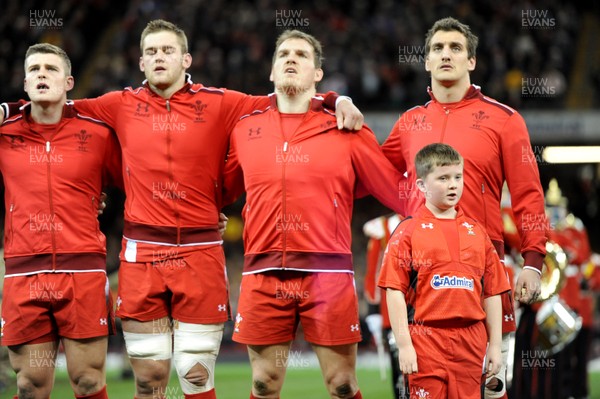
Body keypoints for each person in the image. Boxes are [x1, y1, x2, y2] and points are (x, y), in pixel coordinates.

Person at [0, 20, 363, 399]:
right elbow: (54, 103)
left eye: (168, 50)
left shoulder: (222, 102)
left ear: (186, 59)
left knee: (194, 374)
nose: (160, 57)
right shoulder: (114, 105)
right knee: (147, 379)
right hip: (142, 255)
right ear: (141, 62)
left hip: (200, 252)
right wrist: (7, 107)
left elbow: (285, 98)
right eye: (152, 52)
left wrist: (336, 99)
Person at [222, 29, 406, 399]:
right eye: (283, 55)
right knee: (262, 383)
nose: (291, 59)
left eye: (302, 55)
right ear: (272, 72)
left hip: (328, 274)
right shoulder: (244, 128)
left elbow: (394, 189)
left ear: (318, 74)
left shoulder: (346, 129)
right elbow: (218, 188)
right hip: (263, 272)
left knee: (342, 384)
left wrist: (451, 216)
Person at [380, 17, 548, 398]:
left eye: (456, 48)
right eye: (437, 48)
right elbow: (369, 171)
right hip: (419, 277)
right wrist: (334, 104)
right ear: (426, 61)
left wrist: (534, 262)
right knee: (424, 388)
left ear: (471, 61)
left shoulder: (505, 120)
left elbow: (528, 196)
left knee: (491, 387)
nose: (445, 54)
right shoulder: (410, 122)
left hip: (483, 274)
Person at [0, 43, 121, 399]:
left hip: (81, 271)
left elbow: (134, 178)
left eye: (51, 69)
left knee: (87, 380)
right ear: (24, 84)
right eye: (34, 69)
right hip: (24, 272)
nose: (41, 74)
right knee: (29, 385)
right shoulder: (5, 132)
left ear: (69, 82)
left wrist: (99, 198)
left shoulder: (97, 134)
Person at [378, 143, 509, 399]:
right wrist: (404, 345)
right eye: (443, 178)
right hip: (426, 339)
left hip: (471, 341)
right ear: (421, 185)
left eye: (458, 177)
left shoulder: (477, 232)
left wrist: (494, 345)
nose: (453, 185)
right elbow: (394, 291)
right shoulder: (407, 232)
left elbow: (493, 292)